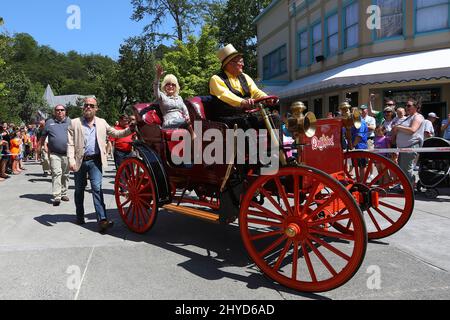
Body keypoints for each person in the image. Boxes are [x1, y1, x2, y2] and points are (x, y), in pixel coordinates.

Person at [67, 97, 136, 232]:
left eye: (92, 106)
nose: (88, 107)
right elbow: (70, 143)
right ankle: (80, 216)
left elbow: (116, 133)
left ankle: (102, 220)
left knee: (97, 189)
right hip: (80, 161)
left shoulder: (102, 122)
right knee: (79, 190)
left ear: (96, 109)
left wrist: (130, 129)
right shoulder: (74, 123)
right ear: (83, 107)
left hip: (95, 161)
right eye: (86, 105)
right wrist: (71, 161)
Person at [209, 44, 271, 130]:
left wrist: (265, 97)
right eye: (240, 62)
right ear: (229, 64)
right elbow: (225, 95)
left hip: (246, 115)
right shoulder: (216, 79)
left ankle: (277, 143)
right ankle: (248, 144)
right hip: (226, 118)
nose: (243, 64)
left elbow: (255, 91)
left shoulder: (245, 76)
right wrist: (242, 102)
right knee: (243, 123)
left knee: (273, 118)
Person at [39, 105, 71, 206]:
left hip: (67, 154)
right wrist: (40, 147)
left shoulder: (70, 122)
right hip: (54, 154)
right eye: (57, 110)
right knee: (56, 173)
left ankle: (63, 193)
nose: (60, 112)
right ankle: (57, 196)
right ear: (54, 112)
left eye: (62, 110)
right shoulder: (49, 122)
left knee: (65, 175)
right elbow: (43, 136)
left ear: (65, 112)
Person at [392, 98, 425, 185]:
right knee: (403, 169)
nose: (407, 107)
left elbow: (412, 130)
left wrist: (398, 127)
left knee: (406, 169)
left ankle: (410, 189)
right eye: (406, 105)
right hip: (404, 147)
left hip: (410, 146)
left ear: (416, 107)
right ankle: (409, 186)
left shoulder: (417, 116)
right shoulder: (408, 117)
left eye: (409, 105)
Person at [154, 64, 192, 130]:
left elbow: (186, 112)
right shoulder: (162, 97)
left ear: (176, 86)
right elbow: (155, 88)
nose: (171, 86)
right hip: (169, 123)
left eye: (173, 84)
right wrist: (158, 77)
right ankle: (193, 136)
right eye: (168, 84)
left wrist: (188, 118)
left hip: (182, 123)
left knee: (195, 122)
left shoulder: (179, 98)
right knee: (187, 121)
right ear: (164, 86)